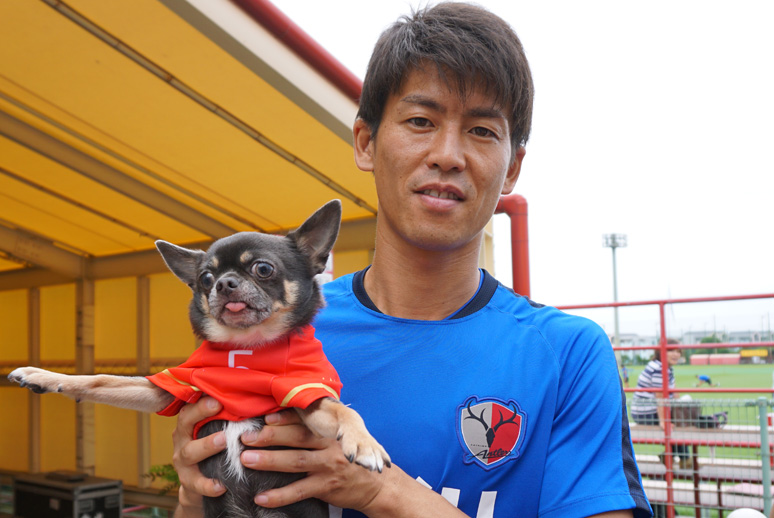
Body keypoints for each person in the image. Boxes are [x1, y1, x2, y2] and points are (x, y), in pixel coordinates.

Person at [170, 3, 652, 517]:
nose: (448, 154)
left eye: (482, 131)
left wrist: (381, 491)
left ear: (512, 168)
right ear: (366, 142)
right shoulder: (274, 330)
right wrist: (194, 495)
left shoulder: (568, 355)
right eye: (421, 121)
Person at [630, 340, 691, 469]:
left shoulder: (665, 367)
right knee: (676, 422)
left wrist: (680, 408)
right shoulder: (659, 369)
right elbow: (660, 397)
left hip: (648, 410)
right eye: (671, 350)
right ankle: (684, 459)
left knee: (682, 414)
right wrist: (664, 421)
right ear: (661, 352)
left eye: (678, 351)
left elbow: (674, 393)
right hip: (645, 412)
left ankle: (675, 457)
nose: (676, 354)